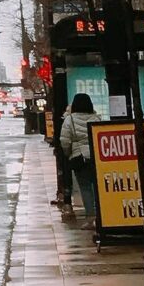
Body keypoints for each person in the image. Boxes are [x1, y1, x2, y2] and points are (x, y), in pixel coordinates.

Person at [63, 91, 99, 221]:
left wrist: (68, 153)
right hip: (96, 158)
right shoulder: (96, 118)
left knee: (85, 188)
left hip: (79, 157)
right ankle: (101, 216)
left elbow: (65, 141)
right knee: (98, 187)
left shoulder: (69, 120)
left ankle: (91, 217)